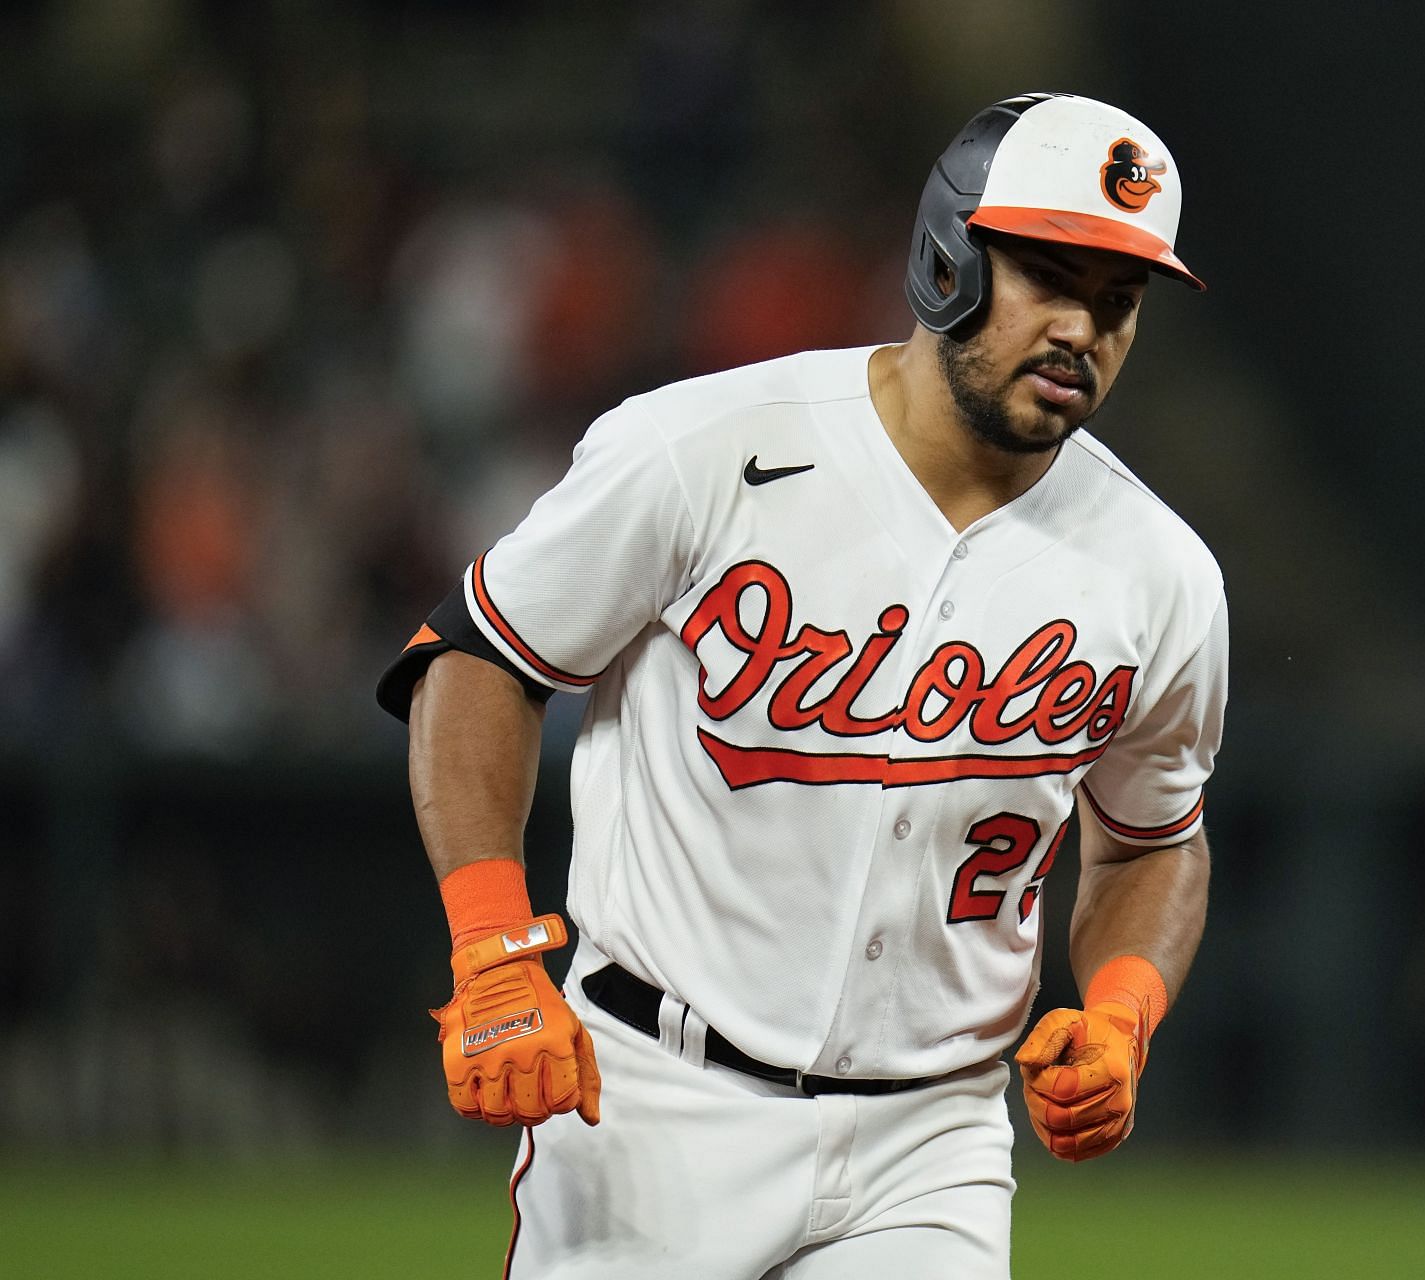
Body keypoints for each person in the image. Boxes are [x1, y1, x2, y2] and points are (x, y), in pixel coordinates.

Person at [377, 91, 1228, 1278]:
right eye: (1050, 274)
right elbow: (479, 655)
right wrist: (491, 948)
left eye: (1118, 299)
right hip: (659, 1102)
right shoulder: (707, 446)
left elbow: (1152, 839)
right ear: (949, 260)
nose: (1083, 327)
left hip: (932, 1141)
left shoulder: (1161, 572)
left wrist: (1125, 1013)